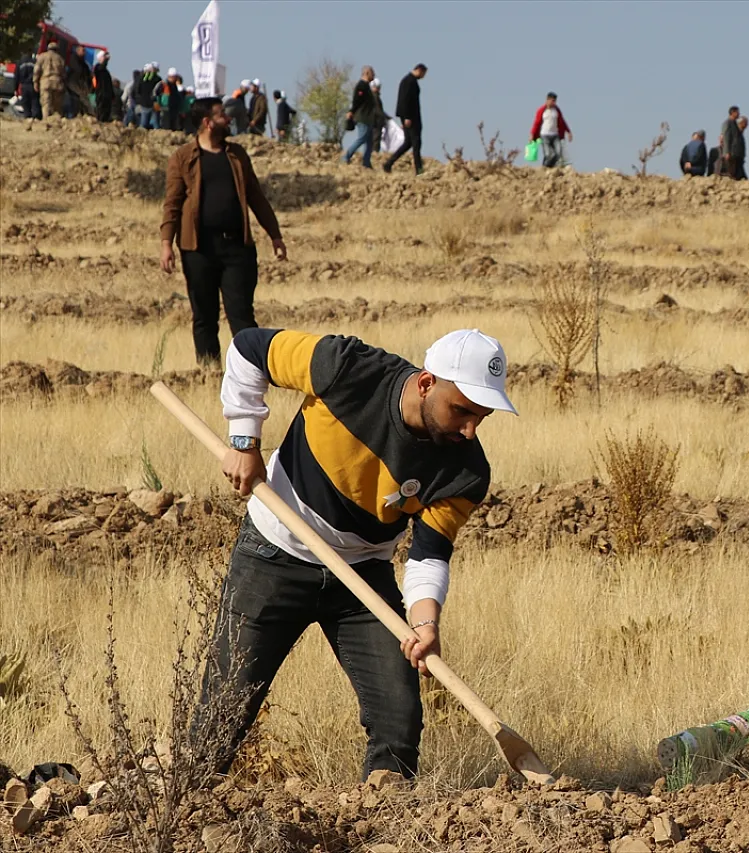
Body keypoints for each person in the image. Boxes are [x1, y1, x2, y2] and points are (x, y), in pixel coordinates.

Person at [206, 325, 518, 780]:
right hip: (274, 554)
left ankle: (385, 812)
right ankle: (187, 801)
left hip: (363, 576)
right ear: (426, 383)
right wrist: (244, 441)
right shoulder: (346, 367)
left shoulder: (465, 472)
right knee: (223, 713)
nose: (470, 430)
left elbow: (429, 554)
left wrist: (425, 624)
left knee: (398, 722)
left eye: (481, 417)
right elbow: (249, 348)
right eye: (462, 411)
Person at [160, 98, 288, 366]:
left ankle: (251, 373)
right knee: (204, 316)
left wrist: (275, 235)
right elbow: (172, 203)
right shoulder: (183, 158)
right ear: (208, 122)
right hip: (198, 250)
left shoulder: (237, 155)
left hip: (237, 249)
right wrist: (166, 244)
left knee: (242, 316)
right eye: (222, 115)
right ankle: (209, 372)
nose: (228, 119)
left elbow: (256, 197)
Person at [385, 64, 428, 175]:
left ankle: (389, 163)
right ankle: (419, 170)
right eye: (423, 74)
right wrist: (406, 117)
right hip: (411, 118)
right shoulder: (408, 81)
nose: (423, 76)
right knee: (416, 143)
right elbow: (404, 100)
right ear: (419, 70)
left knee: (408, 143)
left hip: (411, 117)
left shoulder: (411, 81)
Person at [344, 67, 378, 168]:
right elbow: (357, 100)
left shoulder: (367, 86)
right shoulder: (361, 86)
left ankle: (366, 163)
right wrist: (351, 111)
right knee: (362, 138)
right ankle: (346, 157)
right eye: (372, 73)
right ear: (366, 73)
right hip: (362, 117)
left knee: (369, 142)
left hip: (368, 118)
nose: (374, 75)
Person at [530, 91, 571, 168]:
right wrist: (532, 134)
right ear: (547, 100)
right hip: (544, 135)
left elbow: (562, 121)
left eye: (555, 101)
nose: (554, 103)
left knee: (558, 153)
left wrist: (568, 132)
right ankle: (544, 168)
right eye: (552, 101)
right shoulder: (542, 110)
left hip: (555, 135)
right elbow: (536, 123)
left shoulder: (556, 110)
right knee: (549, 154)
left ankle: (549, 168)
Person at [33, 39, 66, 123]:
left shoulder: (42, 56)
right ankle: (56, 122)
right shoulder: (60, 58)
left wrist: (35, 82)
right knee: (57, 106)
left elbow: (36, 70)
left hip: (45, 82)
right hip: (57, 83)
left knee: (46, 103)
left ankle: (46, 121)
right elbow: (63, 73)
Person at [64, 44, 92, 117]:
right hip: (73, 85)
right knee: (77, 102)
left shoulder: (84, 64)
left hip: (81, 86)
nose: (84, 53)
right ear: (78, 51)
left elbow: (87, 75)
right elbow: (78, 70)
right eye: (83, 51)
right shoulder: (73, 60)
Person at [717, 106, 742, 179]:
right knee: (730, 171)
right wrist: (727, 151)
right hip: (730, 152)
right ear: (733, 112)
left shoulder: (734, 123)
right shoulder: (727, 123)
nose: (739, 114)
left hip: (735, 152)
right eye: (737, 112)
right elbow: (726, 138)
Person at [17, 54, 41, 120]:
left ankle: (27, 117)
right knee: (35, 101)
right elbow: (38, 73)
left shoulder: (20, 63)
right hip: (33, 85)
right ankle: (35, 117)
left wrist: (15, 88)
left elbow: (16, 76)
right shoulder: (35, 62)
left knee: (25, 102)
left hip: (24, 85)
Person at [136, 64, 161, 129]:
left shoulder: (141, 79)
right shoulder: (158, 79)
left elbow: (138, 90)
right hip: (155, 104)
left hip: (144, 103)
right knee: (156, 124)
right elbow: (159, 91)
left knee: (143, 124)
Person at [92, 52, 114, 123]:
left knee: (107, 113)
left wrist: (112, 95)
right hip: (101, 94)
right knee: (101, 112)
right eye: (104, 56)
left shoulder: (106, 72)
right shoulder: (98, 68)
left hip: (107, 95)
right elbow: (101, 67)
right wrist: (105, 59)